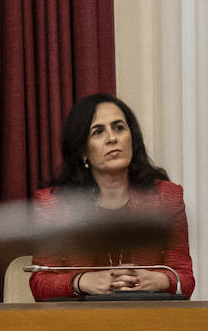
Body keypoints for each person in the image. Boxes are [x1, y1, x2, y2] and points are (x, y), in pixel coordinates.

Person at [30, 94, 195, 300]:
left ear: (132, 138)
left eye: (119, 128)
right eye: (98, 132)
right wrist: (82, 281)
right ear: (83, 151)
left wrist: (157, 280)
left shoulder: (167, 197)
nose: (112, 138)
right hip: (80, 324)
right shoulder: (53, 204)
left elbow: (185, 278)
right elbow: (40, 283)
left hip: (149, 320)